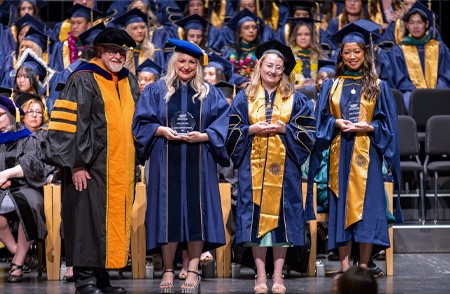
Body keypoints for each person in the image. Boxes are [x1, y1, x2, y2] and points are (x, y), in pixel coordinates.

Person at [44, 27, 139, 294]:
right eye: (112, 50)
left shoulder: (127, 80)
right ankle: (84, 278)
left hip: (119, 166)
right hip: (90, 165)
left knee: (108, 221)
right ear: (99, 51)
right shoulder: (84, 78)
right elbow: (72, 123)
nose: (118, 56)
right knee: (86, 219)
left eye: (121, 52)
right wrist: (76, 164)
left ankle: (101, 276)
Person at [132, 38, 229, 293]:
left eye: (191, 62)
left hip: (201, 159)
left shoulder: (210, 92)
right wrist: (159, 129)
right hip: (166, 160)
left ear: (198, 66)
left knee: (198, 213)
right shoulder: (155, 91)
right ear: (174, 63)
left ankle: (194, 269)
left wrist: (206, 136)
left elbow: (224, 124)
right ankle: (168, 269)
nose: (186, 66)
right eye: (182, 61)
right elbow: (140, 124)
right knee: (167, 214)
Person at [227, 39, 315, 294]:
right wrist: (251, 129)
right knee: (255, 220)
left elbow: (309, 131)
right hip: (252, 168)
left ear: (284, 70)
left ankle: (278, 276)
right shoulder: (244, 97)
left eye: (279, 67)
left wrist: (285, 128)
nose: (274, 71)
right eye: (269, 65)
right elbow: (232, 129)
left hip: (285, 169)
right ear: (259, 66)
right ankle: (261, 276)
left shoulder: (295, 99)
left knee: (282, 222)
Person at [314, 19, 401, 273]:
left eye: (357, 51)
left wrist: (367, 127)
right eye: (347, 51)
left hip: (368, 154)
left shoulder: (378, 86)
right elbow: (321, 122)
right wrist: (336, 122)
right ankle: (344, 267)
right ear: (341, 54)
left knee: (368, 209)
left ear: (366, 53)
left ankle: (363, 266)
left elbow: (389, 127)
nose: (352, 56)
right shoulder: (331, 86)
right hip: (340, 153)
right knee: (340, 208)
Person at [0, 95, 46, 283]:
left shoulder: (26, 136)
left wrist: (7, 174)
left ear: (11, 115)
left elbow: (32, 163)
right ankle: (22, 254)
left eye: (1, 114)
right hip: (2, 189)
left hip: (26, 186)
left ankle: (18, 262)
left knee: (29, 205)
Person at [380, 2, 450, 111]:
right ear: (407, 26)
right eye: (411, 23)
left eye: (419, 22)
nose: (415, 26)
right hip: (410, 93)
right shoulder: (398, 50)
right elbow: (399, 78)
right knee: (410, 101)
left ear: (426, 24)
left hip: (438, 91)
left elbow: (445, 74)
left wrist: (436, 91)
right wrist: (418, 93)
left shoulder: (439, 48)